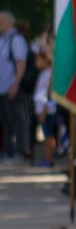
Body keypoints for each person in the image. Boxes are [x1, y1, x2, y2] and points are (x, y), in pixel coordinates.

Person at [0, 10, 30, 162]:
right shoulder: (2, 40)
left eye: (2, 21)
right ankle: (8, 151)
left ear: (10, 23)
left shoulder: (16, 39)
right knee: (6, 121)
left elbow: (21, 63)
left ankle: (20, 151)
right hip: (3, 89)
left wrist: (15, 84)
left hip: (13, 88)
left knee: (18, 119)